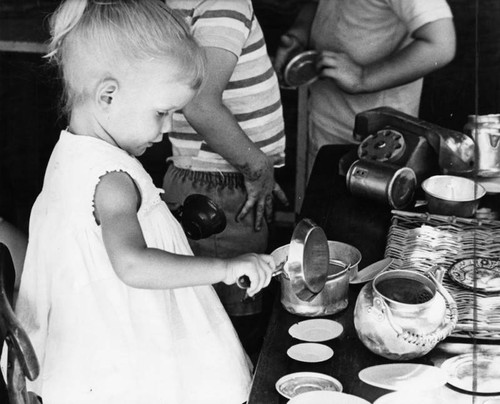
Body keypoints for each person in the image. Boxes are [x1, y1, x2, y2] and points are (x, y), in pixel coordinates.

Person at [14, 1, 274, 403]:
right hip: (131, 358)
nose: (169, 127)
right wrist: (224, 267)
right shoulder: (112, 180)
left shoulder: (71, 154)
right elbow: (131, 263)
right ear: (108, 95)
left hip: (99, 342)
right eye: (162, 112)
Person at [162, 0, 287, 351]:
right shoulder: (222, 2)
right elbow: (201, 104)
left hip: (214, 181)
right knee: (234, 312)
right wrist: (257, 166)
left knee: (218, 305)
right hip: (223, 185)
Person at [274, 0, 456, 177]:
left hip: (378, 143)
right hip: (325, 125)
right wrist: (298, 35)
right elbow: (316, 4)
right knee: (323, 200)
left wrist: (364, 77)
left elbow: (441, 45)